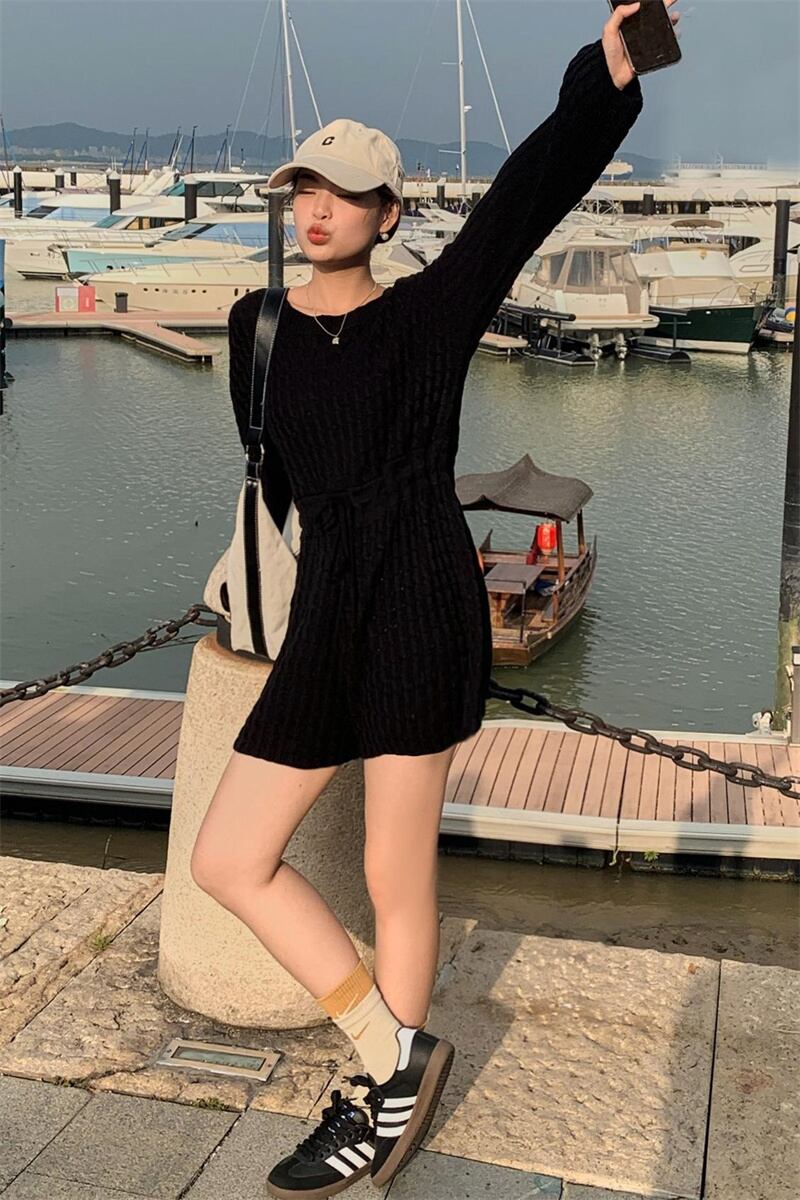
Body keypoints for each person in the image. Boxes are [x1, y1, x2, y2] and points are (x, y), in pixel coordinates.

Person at [191, 4, 674, 1195]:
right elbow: (279, 485)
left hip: (416, 600)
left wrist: (606, 71)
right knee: (229, 858)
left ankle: (378, 1111)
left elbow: (525, 197)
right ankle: (392, 1056)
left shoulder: (429, 311)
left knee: (398, 877)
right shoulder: (256, 328)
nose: (318, 209)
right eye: (305, 188)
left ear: (387, 215)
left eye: (345, 194)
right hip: (324, 612)